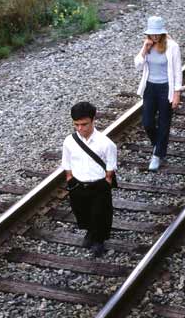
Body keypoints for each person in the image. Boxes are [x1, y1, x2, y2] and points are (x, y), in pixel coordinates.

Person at [62, 102, 117, 257]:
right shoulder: (69, 141)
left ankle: (99, 240)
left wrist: (107, 180)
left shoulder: (106, 143)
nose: (80, 129)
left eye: (84, 124)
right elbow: (66, 161)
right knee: (81, 211)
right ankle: (90, 231)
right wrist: (69, 177)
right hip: (78, 184)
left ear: (93, 120)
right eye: (76, 125)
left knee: (101, 213)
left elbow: (111, 165)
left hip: (99, 184)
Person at [135, 16, 184, 171]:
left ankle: (157, 155)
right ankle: (159, 145)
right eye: (152, 34)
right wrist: (144, 49)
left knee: (164, 122)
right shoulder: (148, 45)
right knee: (147, 122)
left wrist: (177, 93)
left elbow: (177, 70)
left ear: (162, 33)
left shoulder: (172, 46)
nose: (155, 36)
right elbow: (137, 65)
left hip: (165, 88)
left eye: (157, 34)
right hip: (150, 87)